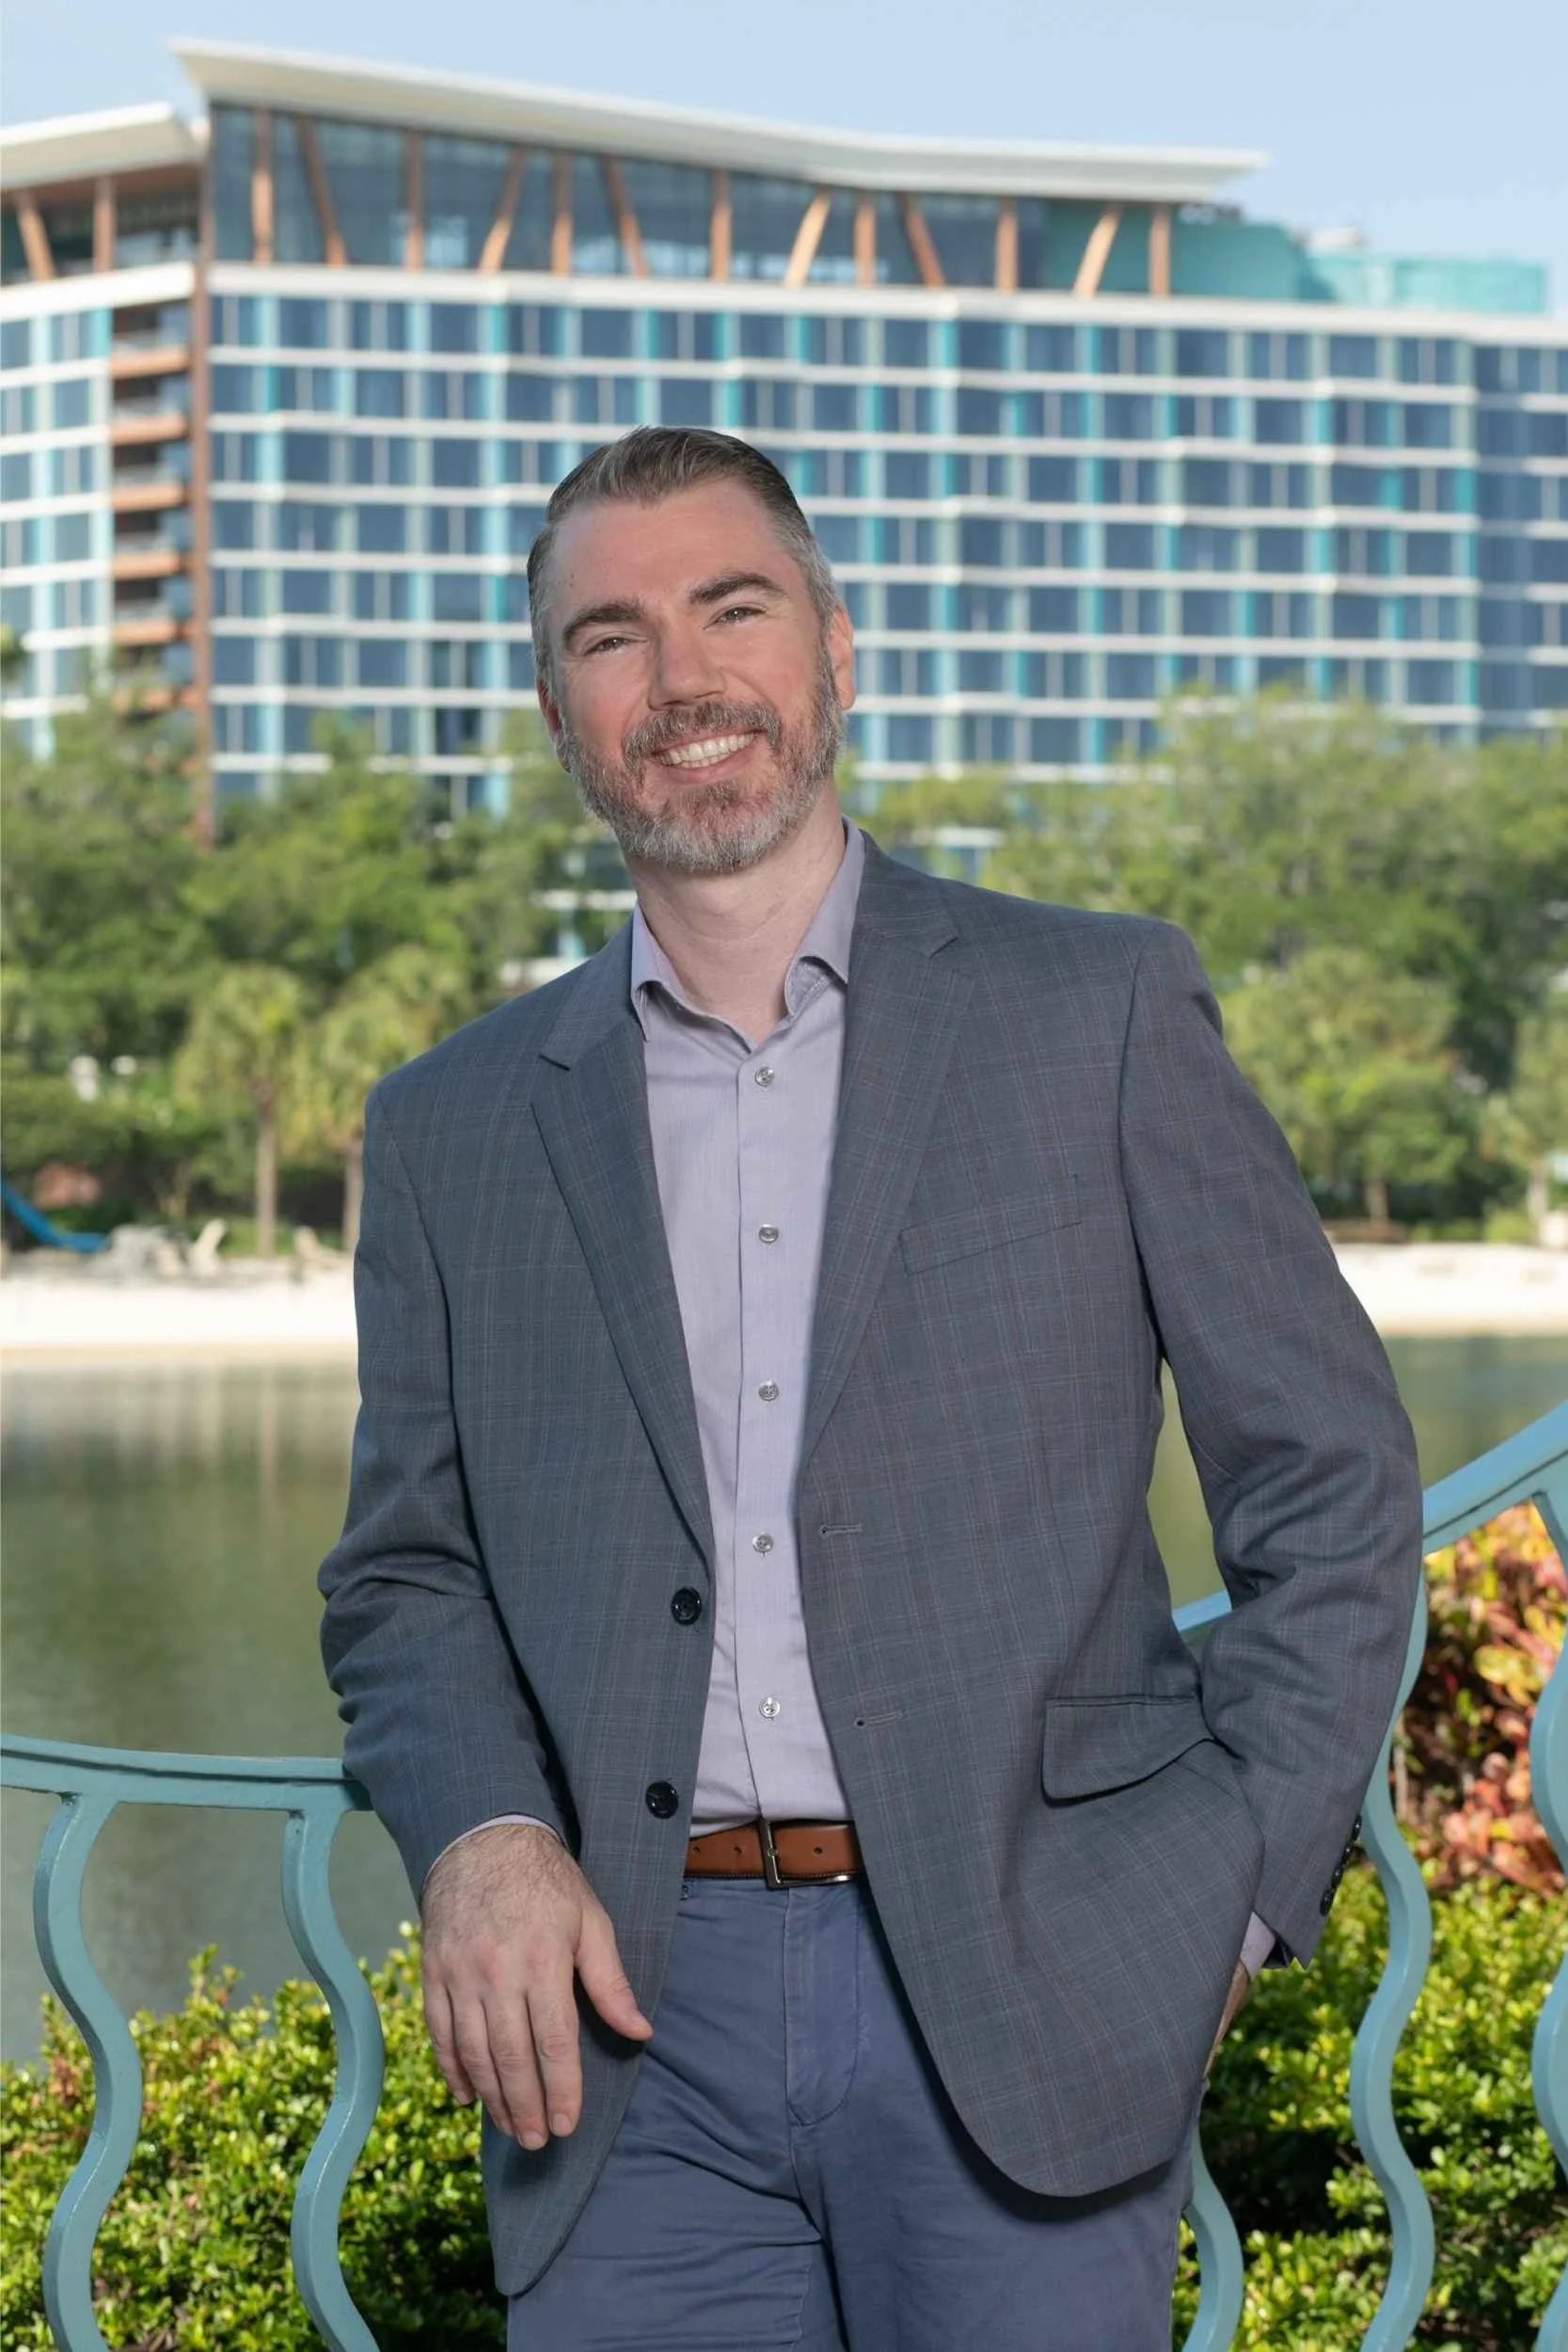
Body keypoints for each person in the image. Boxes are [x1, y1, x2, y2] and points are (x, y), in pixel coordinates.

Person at [319, 427, 1424, 2349]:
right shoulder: (451, 1128)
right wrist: (481, 1835)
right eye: (610, 636)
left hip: (1029, 1975)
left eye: (731, 609)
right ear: (559, 711)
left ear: (835, 649)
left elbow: (1328, 1482)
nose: (681, 679)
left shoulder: (1095, 1012)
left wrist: (1230, 1890)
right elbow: (407, 1575)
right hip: (627, 2040)